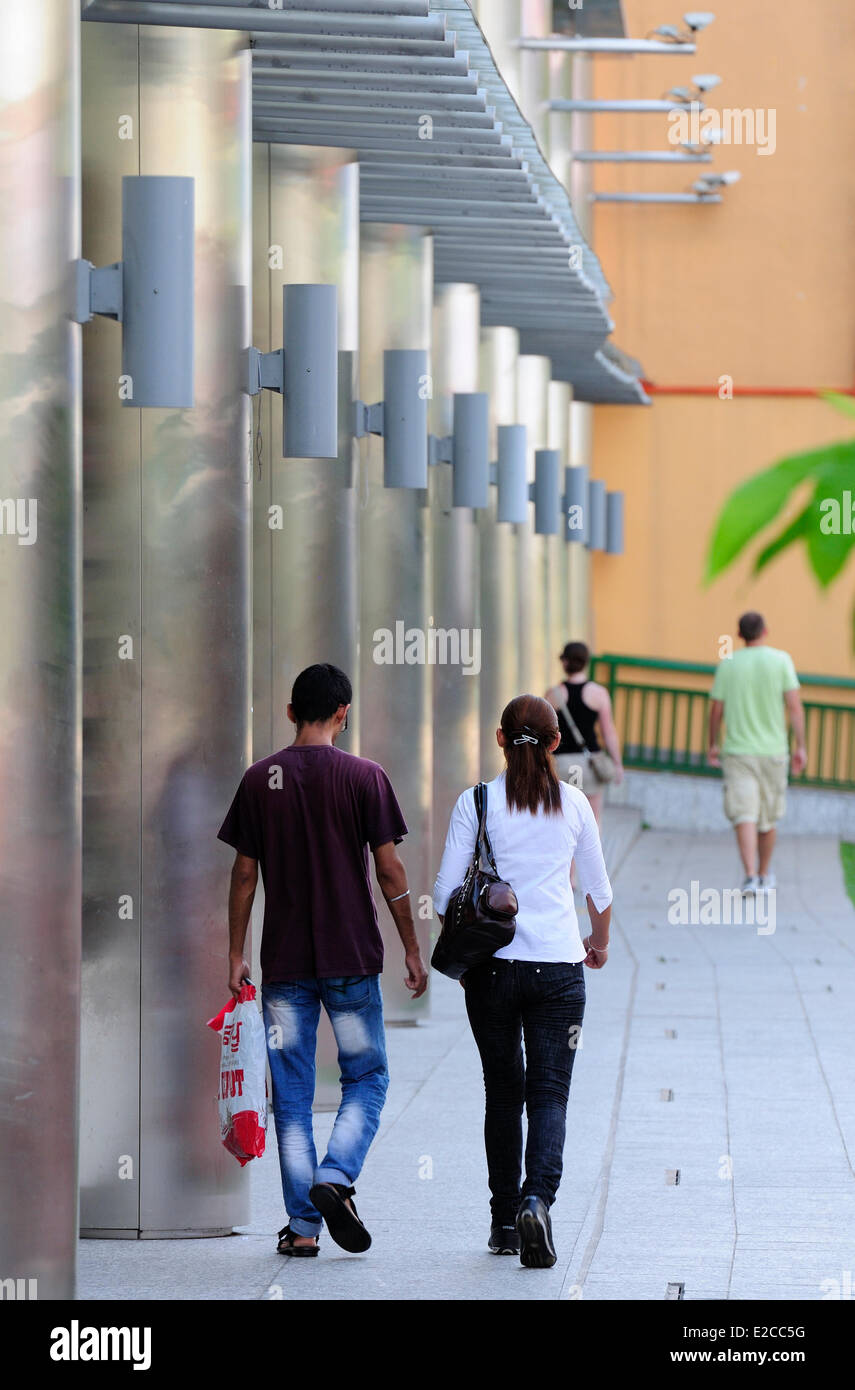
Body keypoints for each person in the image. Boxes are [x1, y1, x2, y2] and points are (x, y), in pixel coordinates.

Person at [218, 663, 428, 1258]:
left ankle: (304, 1228)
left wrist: (235, 953)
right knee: (367, 1076)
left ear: (290, 712)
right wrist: (412, 946)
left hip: (284, 965)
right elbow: (390, 870)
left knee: (291, 1094)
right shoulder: (365, 777)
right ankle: (337, 1175)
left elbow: (243, 873)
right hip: (352, 958)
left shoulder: (261, 780)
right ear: (343, 713)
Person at [433, 694, 613, 1268]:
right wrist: (598, 944)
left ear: (499, 740)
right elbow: (599, 893)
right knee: (550, 1095)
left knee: (503, 1093)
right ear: (557, 744)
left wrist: (469, 951)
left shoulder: (477, 802)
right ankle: (539, 1200)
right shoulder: (576, 804)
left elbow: (442, 896)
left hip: (491, 971)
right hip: (560, 969)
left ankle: (505, 1221)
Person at [707, 612, 807, 895]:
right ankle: (764, 873)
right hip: (774, 752)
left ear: (739, 635)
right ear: (766, 630)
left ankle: (750, 875)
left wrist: (712, 743)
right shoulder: (781, 660)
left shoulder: (728, 664)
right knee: (768, 816)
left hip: (738, 751)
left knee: (744, 814)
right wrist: (801, 746)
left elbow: (716, 709)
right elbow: (795, 707)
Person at [546, 641, 623, 825]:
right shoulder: (599, 693)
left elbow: (544, 733)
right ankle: (590, 854)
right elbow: (608, 732)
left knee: (560, 818)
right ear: (586, 662)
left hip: (561, 764)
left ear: (564, 662)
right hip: (589, 764)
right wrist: (617, 764)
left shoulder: (552, 695)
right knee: (592, 819)